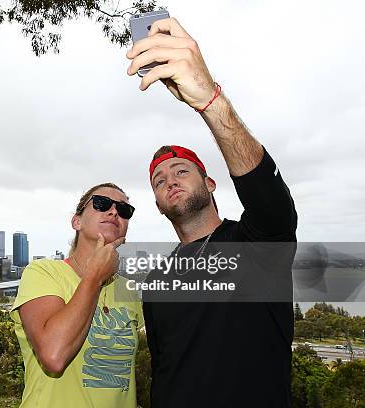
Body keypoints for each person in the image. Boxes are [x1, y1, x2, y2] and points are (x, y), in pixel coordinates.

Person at [126, 17, 298, 407]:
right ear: (157, 204)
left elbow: (269, 197)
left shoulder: (255, 244)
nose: (169, 180)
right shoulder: (156, 281)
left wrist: (209, 101)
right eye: (158, 181)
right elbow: (165, 367)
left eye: (182, 170)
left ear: (210, 184)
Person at [10, 183, 144, 408]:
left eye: (124, 210)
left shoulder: (130, 291)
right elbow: (54, 355)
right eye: (102, 204)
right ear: (77, 221)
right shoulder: (43, 273)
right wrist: (94, 278)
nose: (113, 212)